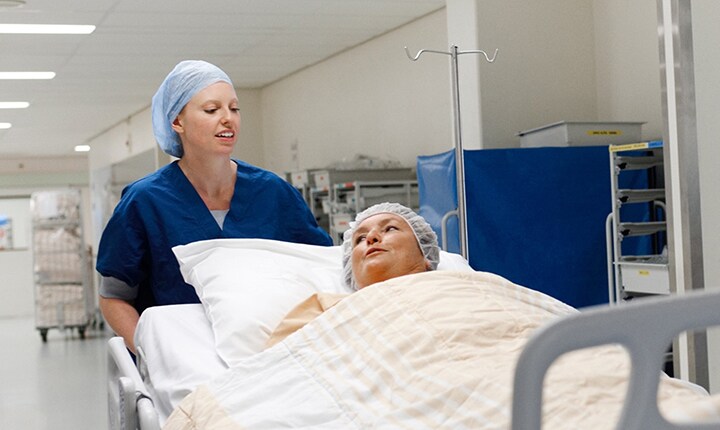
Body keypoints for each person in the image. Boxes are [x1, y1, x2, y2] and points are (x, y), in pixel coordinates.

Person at [96, 60, 332, 353]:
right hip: (184, 355)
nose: (227, 119)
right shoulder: (145, 201)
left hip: (267, 352)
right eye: (211, 110)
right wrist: (152, 354)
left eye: (234, 109)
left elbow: (322, 271)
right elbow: (113, 297)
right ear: (177, 122)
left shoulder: (273, 193)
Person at [266, 202, 439, 347]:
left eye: (390, 228)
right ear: (352, 270)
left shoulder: (457, 287)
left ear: (425, 254)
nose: (371, 237)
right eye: (360, 239)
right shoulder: (322, 310)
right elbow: (276, 367)